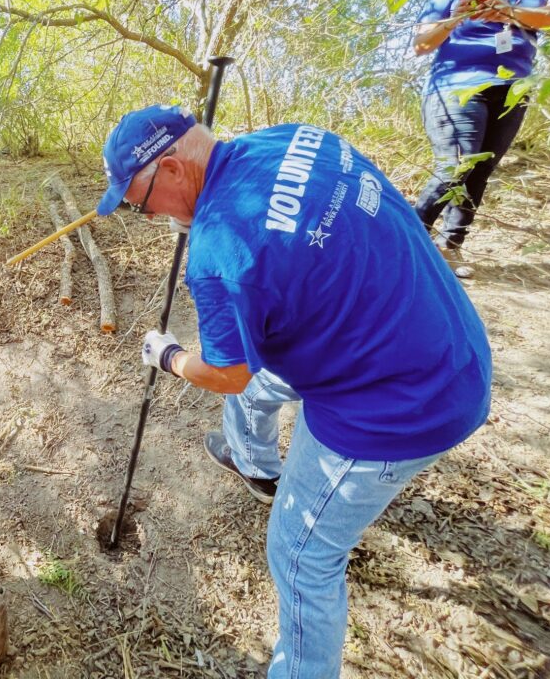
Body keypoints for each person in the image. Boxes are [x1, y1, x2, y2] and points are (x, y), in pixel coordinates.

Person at [96, 105, 492, 679]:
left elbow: (228, 373)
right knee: (261, 387)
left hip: (402, 401)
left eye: (140, 201)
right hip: (444, 338)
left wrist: (171, 356)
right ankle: (252, 460)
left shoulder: (219, 251)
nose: (147, 216)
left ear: (175, 168)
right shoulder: (293, 139)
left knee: (301, 557)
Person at [413, 0, 550, 278]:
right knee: (457, 162)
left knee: (480, 169)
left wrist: (507, 11)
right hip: (455, 83)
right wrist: (456, 17)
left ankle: (449, 249)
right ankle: (407, 239)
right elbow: (421, 43)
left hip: (512, 87)